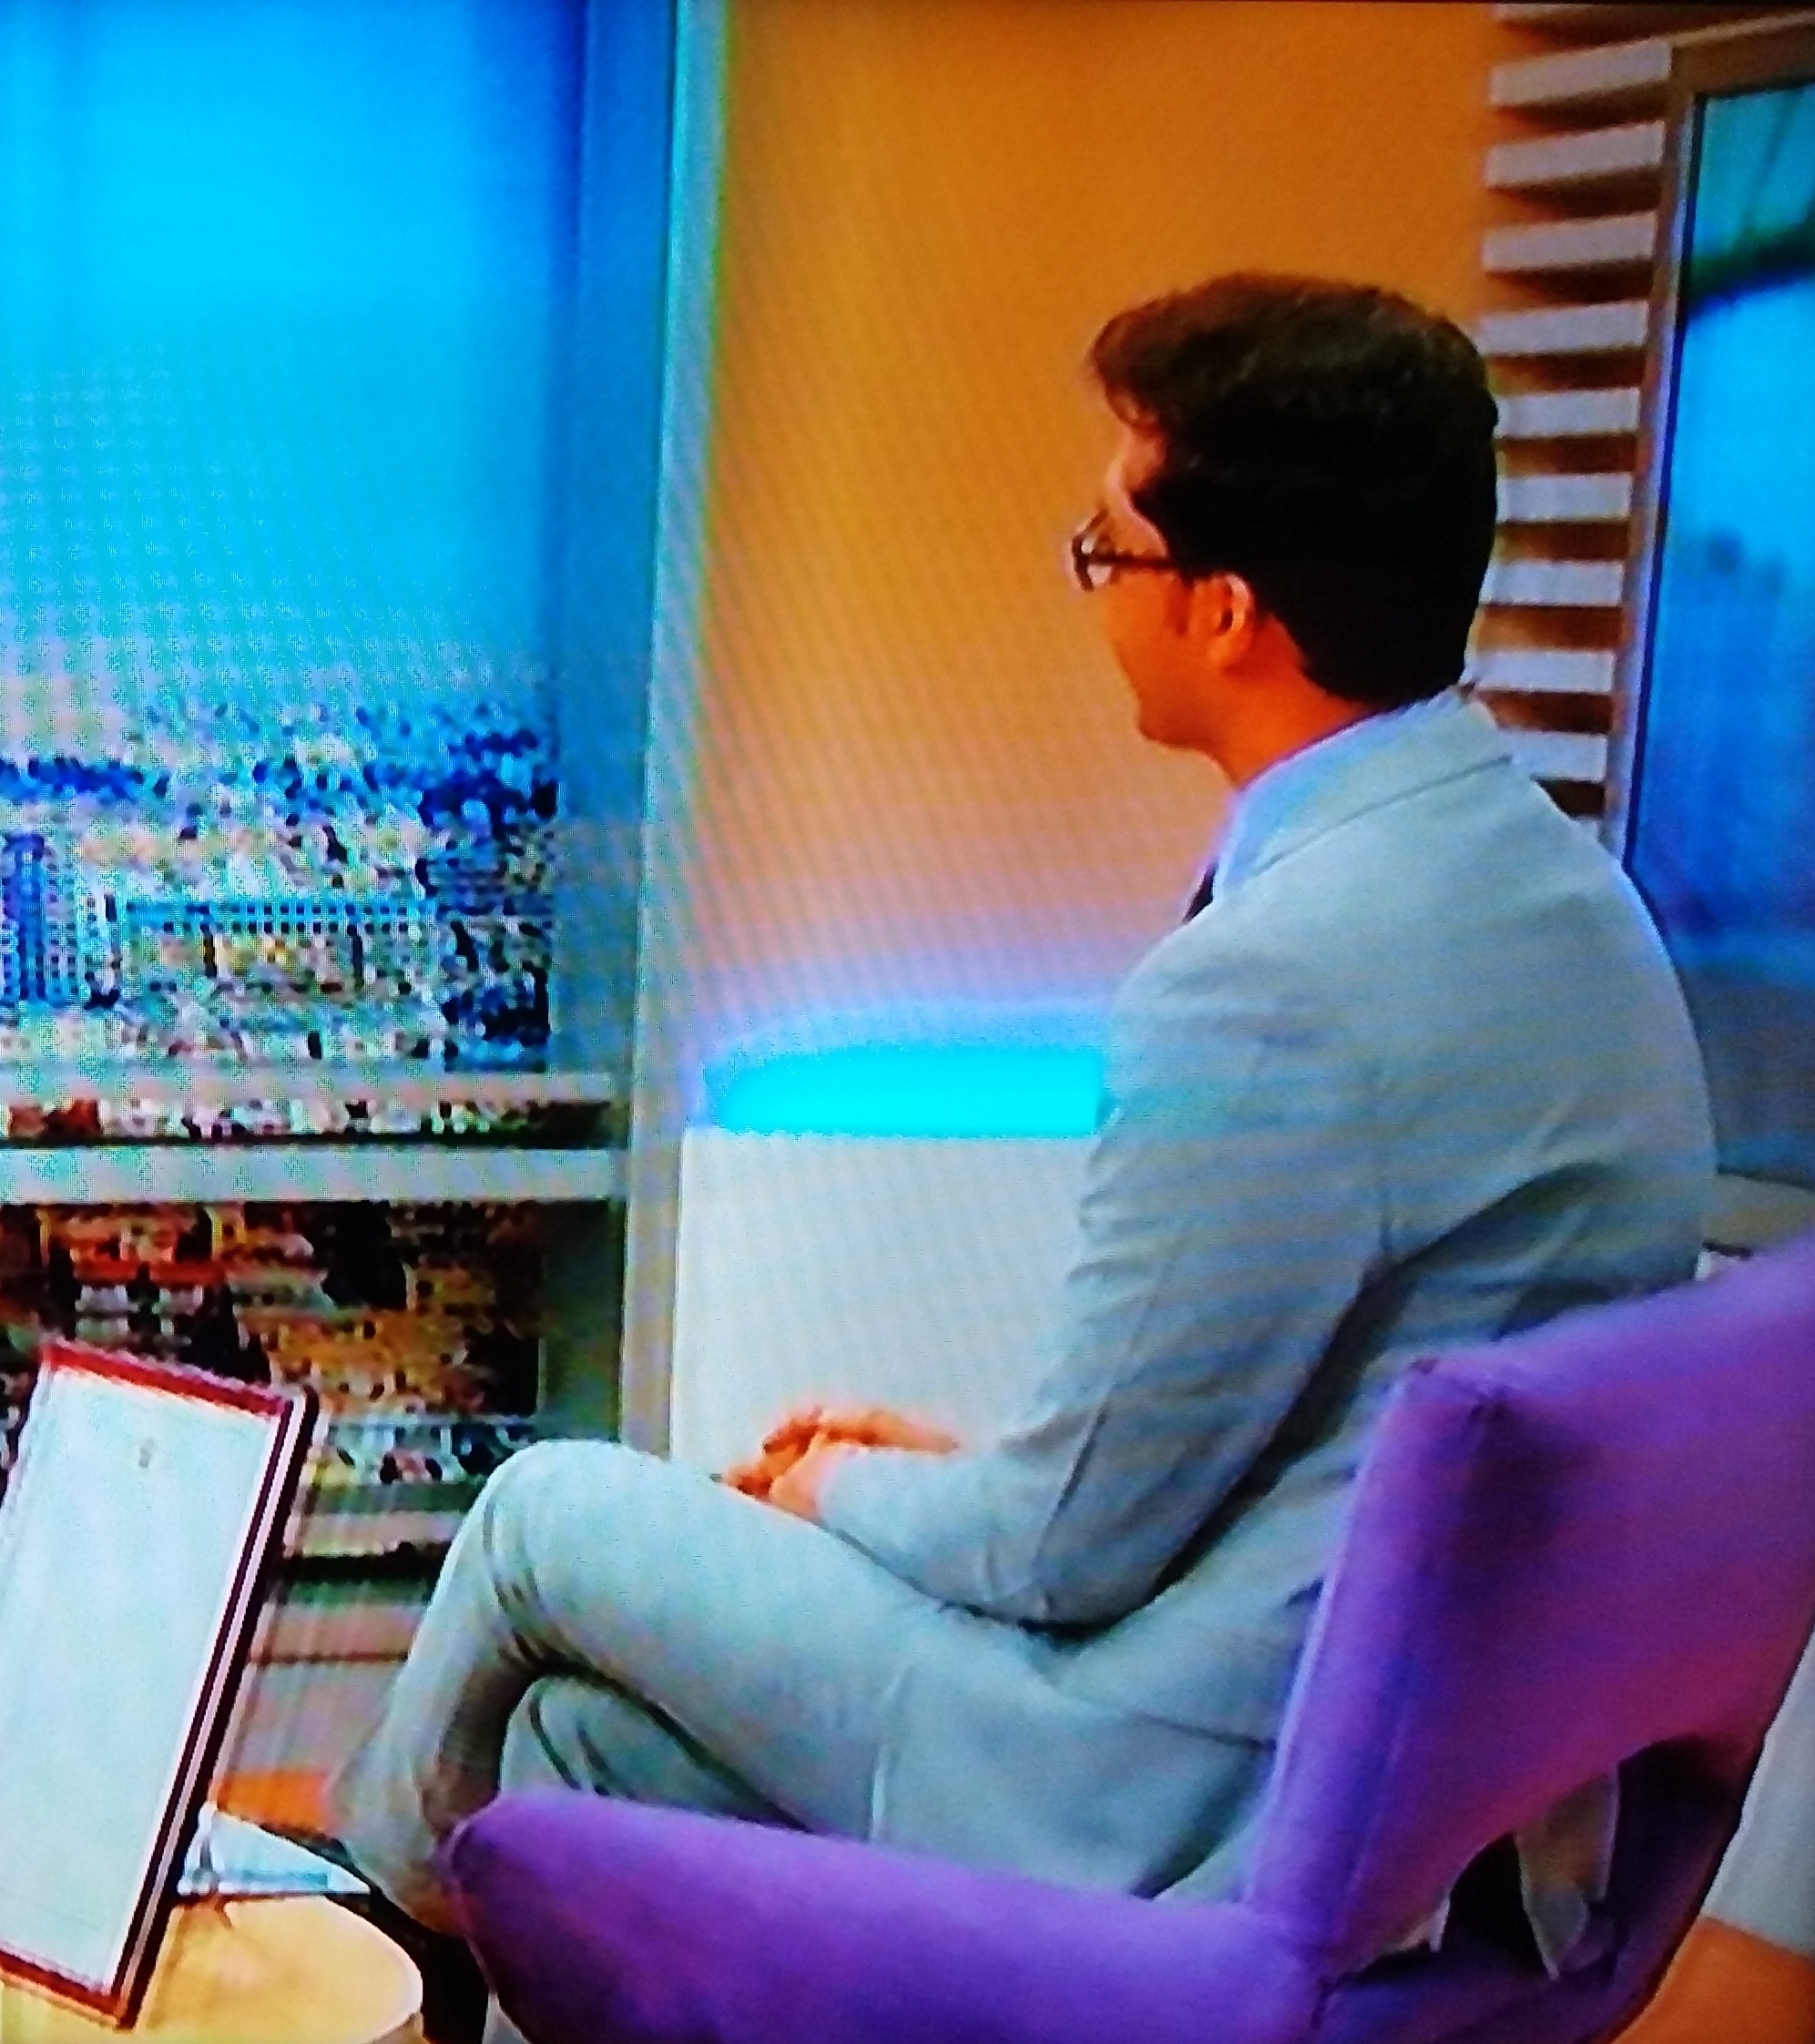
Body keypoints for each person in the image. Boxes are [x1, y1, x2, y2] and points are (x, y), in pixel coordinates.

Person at [333, 276, 1713, 2022]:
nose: (1092, 585)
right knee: (571, 1738)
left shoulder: (1274, 980)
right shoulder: (1570, 900)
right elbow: (1303, 1426)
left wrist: (838, 1490)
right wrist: (951, 1471)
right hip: (1412, 1772)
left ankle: (356, 1950)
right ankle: (415, 1953)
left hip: (1160, 1784)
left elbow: (1065, 1550)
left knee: (545, 1513)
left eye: (1106, 548)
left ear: (1226, 610)